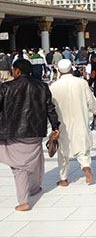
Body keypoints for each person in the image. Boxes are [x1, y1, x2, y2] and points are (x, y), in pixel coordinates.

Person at [0, 59, 60, 211]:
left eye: (14, 70)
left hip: (12, 132)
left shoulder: (5, 87)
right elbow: (50, 108)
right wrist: (55, 126)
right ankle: (34, 188)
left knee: (18, 167)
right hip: (35, 130)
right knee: (35, 160)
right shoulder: (42, 86)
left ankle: (23, 201)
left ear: (18, 71)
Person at [50, 59, 96, 186]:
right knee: (82, 148)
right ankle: (86, 167)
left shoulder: (54, 87)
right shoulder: (81, 83)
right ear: (71, 69)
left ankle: (63, 178)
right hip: (80, 121)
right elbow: (91, 101)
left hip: (62, 123)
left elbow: (51, 107)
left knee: (63, 151)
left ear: (59, 71)